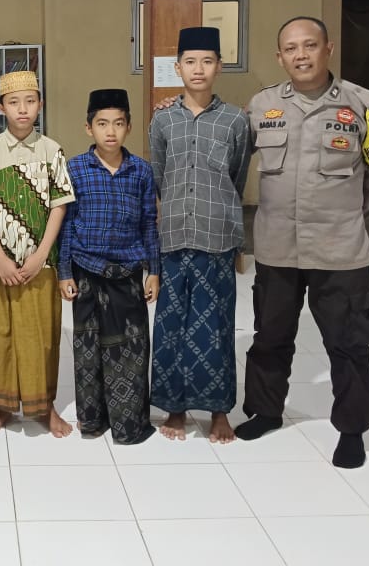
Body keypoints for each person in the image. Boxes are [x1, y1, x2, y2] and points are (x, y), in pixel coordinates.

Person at [236, 16, 369, 468]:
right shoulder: (262, 105)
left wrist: (350, 212)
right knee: (270, 336)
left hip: (340, 250)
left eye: (310, 45)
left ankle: (352, 429)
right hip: (276, 247)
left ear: (328, 48)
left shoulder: (365, 104)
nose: (301, 55)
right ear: (280, 57)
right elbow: (233, 157)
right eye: (291, 48)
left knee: (348, 343)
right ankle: (265, 411)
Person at [148, 26, 251, 444]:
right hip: (174, 235)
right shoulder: (162, 119)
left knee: (217, 326)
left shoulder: (236, 120)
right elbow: (160, 175)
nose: (198, 69)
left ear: (219, 67)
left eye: (207, 61)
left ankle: (219, 410)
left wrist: (223, 215)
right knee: (171, 325)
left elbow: (238, 176)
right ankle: (175, 407)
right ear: (177, 67)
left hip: (216, 236)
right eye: (190, 61)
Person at [0, 70, 76, 437]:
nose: (23, 109)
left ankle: (44, 406)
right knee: (5, 332)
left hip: (41, 263)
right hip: (2, 263)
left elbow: (60, 205)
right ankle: (3, 407)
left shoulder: (52, 150)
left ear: (40, 104)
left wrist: (41, 254)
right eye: (14, 102)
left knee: (43, 335)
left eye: (30, 101)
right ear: (1, 108)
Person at [58, 88, 160, 445]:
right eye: (102, 124)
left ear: (129, 127)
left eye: (118, 123)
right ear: (89, 128)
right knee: (88, 350)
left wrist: (154, 270)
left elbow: (149, 223)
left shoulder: (141, 171)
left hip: (128, 273)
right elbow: (66, 224)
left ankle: (129, 424)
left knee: (131, 350)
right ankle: (92, 420)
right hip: (86, 270)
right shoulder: (75, 169)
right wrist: (64, 272)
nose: (111, 131)